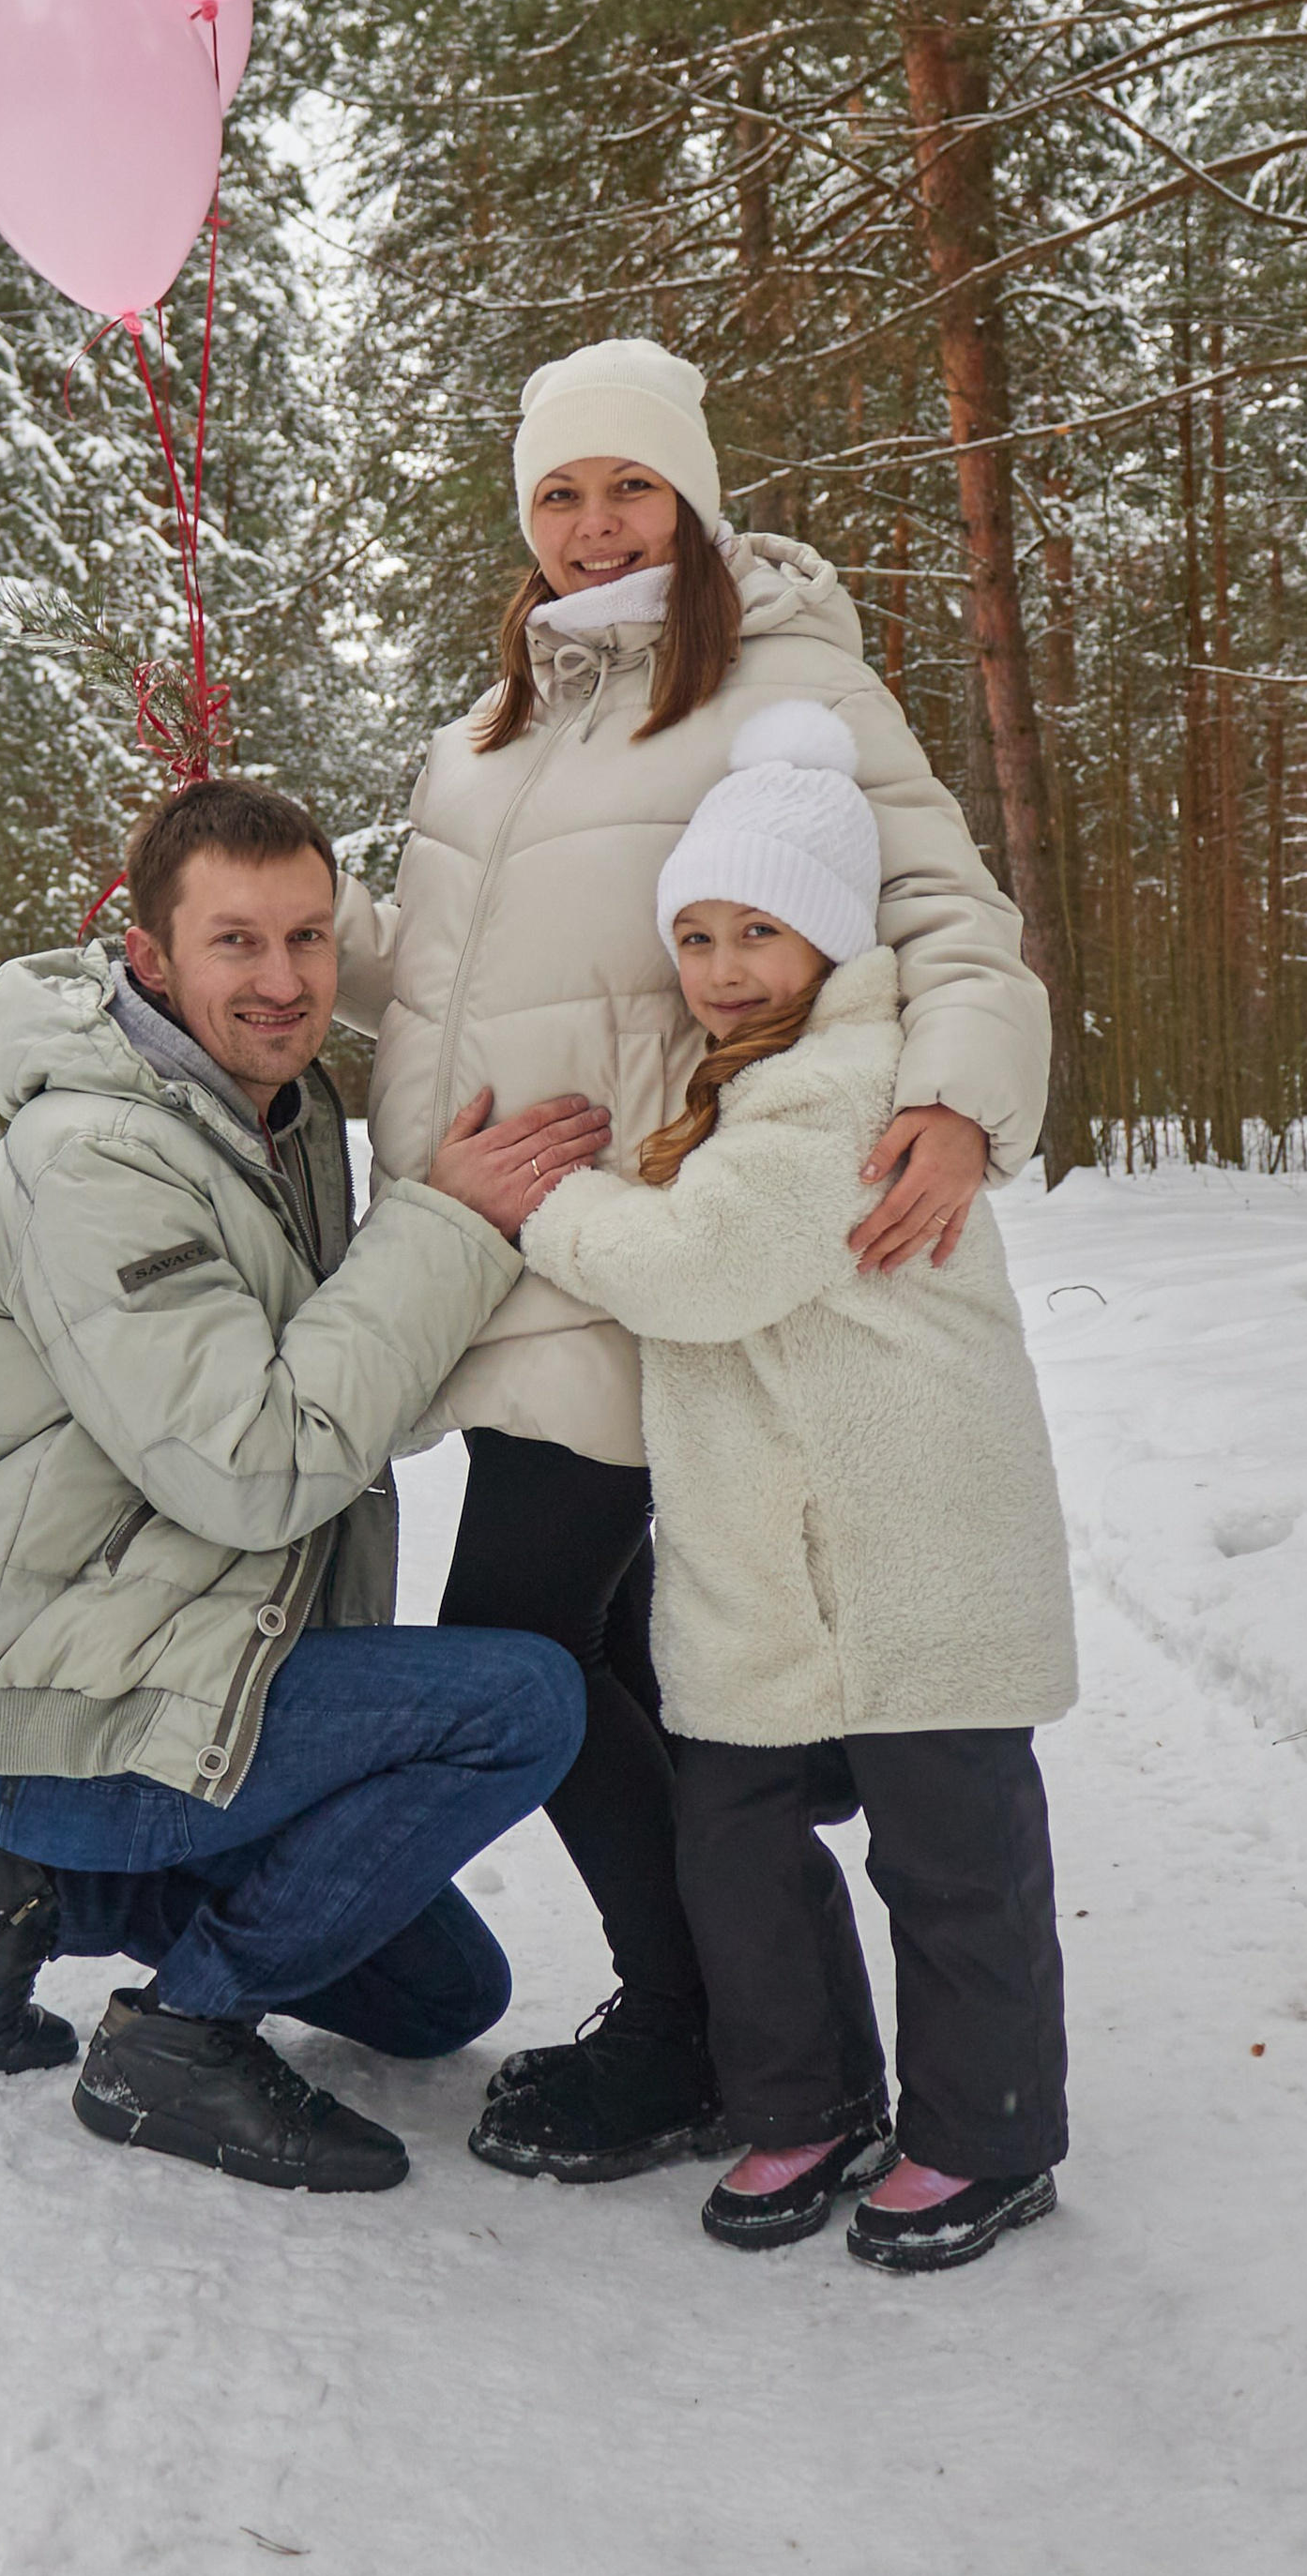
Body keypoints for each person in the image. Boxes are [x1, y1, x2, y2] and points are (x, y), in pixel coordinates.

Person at [334, 337, 1054, 2179]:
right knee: (627, 1664)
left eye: (627, 486)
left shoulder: (774, 681)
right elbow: (445, 972)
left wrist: (964, 1096)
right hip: (493, 1248)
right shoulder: (484, 731)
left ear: (693, 498)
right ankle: (756, 2035)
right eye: (557, 493)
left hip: (642, 1227)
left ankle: (688, 2031)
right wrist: (274, 927)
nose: (590, 527)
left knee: (514, 1642)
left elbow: (940, 909)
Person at [0, 777, 608, 2197]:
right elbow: (254, 1469)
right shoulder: (98, 1156)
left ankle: (26, 1889)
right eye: (235, 943)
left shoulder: (271, 1114)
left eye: (310, 939)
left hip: (158, 1665)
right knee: (523, 1704)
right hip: (55, 1703)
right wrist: (447, 1225)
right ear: (148, 956)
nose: (282, 982)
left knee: (440, 2000)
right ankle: (174, 2039)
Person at [514, 703, 1077, 2268]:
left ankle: (991, 2135)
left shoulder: (850, 1083)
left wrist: (545, 1208)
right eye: (695, 933)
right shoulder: (735, 1080)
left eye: (759, 929)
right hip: (773, 1558)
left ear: (829, 936)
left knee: (950, 1853)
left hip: (917, 1542)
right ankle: (809, 2098)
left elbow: (698, 1267)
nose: (722, 964)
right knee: (735, 1830)